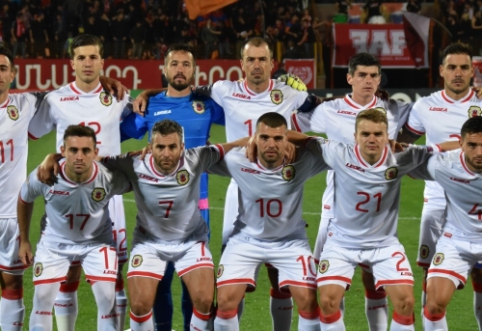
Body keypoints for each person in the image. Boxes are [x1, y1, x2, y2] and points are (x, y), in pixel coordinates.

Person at [134, 36, 319, 330]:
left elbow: (317, 111)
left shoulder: (290, 94)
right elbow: (182, 89)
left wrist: (307, 99)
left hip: (281, 192)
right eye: (251, 60)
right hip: (239, 190)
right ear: (241, 65)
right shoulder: (223, 90)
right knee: (232, 280)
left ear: (273, 64)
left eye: (262, 59)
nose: (257, 65)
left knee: (278, 278)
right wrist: (148, 91)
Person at [39, 119, 250, 331]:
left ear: (182, 147)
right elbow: (90, 159)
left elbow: (237, 144)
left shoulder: (197, 157)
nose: (166, 154)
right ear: (150, 147)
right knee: (139, 306)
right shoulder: (132, 163)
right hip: (148, 243)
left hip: (191, 242)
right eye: (160, 147)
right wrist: (54, 157)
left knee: (204, 302)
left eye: (172, 147)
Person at [290, 108, 449, 330]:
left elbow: (444, 147)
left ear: (387, 137)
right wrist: (255, 140)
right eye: (365, 134)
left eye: (378, 134)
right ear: (355, 137)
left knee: (406, 302)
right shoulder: (337, 152)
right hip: (341, 244)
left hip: (384, 245)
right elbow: (298, 137)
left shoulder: (401, 156)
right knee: (328, 301)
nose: (372, 139)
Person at [292, 52, 412, 330]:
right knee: (329, 288)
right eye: (361, 75)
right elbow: (294, 128)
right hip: (334, 210)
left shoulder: (394, 110)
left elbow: (420, 128)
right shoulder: (329, 110)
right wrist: (293, 96)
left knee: (376, 285)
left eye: (373, 75)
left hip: (378, 216)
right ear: (349, 78)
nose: (368, 80)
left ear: (379, 79)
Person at [27, 34, 132, 331]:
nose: (87, 63)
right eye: (81, 57)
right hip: (68, 195)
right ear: (71, 63)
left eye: (93, 57)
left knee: (115, 272)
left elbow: (142, 113)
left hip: (109, 195)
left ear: (102, 61)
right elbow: (33, 132)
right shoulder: (55, 99)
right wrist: (50, 157)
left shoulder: (119, 95)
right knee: (67, 272)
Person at [120, 43, 225, 331]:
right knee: (160, 281)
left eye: (186, 64)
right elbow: (113, 133)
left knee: (195, 286)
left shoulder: (208, 106)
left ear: (194, 71)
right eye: (175, 64)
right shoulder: (148, 106)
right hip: (156, 211)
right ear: (164, 70)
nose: (180, 69)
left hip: (196, 209)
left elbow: (247, 115)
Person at [211, 112, 328, 330]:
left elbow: (338, 148)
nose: (271, 144)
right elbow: (198, 158)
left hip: (290, 241)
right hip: (245, 240)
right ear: (255, 138)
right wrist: (239, 142)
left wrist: (295, 139)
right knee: (226, 302)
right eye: (264, 138)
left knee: (309, 303)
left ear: (288, 139)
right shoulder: (237, 158)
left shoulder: (305, 159)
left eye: (278, 138)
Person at [398, 42, 482, 327]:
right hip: (436, 200)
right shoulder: (424, 106)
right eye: (452, 67)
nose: (458, 73)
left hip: (475, 202)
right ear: (441, 71)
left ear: (473, 71)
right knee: (431, 278)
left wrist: (436, 149)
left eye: (464, 67)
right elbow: (405, 145)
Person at [17, 125, 131, 331]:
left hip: (97, 243)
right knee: (42, 297)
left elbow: (141, 181)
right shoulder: (46, 175)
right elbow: (24, 198)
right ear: (63, 151)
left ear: (95, 153)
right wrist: (24, 240)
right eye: (73, 150)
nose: (79, 156)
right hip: (54, 243)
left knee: (107, 297)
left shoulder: (109, 177)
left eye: (86, 151)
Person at [415, 116, 482, 330]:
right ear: (460, 143)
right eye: (472, 145)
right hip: (456, 242)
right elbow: (403, 167)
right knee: (434, 304)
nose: (479, 153)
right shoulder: (444, 164)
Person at [0, 46, 45, 331]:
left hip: (10, 216)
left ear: (13, 74)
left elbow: (73, 94)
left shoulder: (26, 104)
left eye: (2, 69)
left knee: (12, 283)